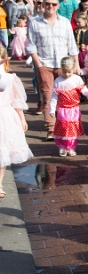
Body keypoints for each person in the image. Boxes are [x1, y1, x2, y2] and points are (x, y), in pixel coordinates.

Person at [27, 0, 81, 140]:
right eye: (47, 3)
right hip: (45, 64)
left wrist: (76, 64)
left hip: (64, 65)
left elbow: (72, 44)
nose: (50, 6)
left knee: (65, 97)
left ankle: (63, 126)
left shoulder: (64, 22)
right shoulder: (35, 23)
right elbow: (31, 46)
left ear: (58, 6)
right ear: (42, 4)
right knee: (48, 96)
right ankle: (50, 128)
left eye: (53, 4)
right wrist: (38, 64)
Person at [0, 45, 33, 198]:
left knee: (3, 152)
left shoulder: (11, 78)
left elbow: (16, 100)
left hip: (5, 116)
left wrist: (22, 118)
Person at [50, 56, 88, 157]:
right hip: (63, 109)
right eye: (65, 72)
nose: (67, 74)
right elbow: (54, 96)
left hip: (74, 109)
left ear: (73, 69)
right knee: (63, 127)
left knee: (73, 128)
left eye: (69, 72)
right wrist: (51, 108)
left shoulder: (77, 79)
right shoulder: (58, 81)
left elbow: (84, 91)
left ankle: (71, 147)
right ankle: (62, 147)